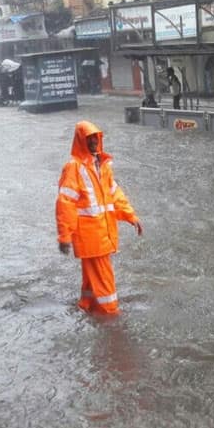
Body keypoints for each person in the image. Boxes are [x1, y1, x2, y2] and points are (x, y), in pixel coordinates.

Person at [56, 121, 142, 315]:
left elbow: (115, 194)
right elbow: (65, 203)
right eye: (89, 139)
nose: (94, 142)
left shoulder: (102, 166)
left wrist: (131, 216)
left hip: (100, 234)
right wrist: (64, 236)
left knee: (92, 276)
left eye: (96, 138)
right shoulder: (74, 168)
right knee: (104, 280)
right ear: (81, 141)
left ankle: (87, 305)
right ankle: (110, 316)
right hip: (92, 236)